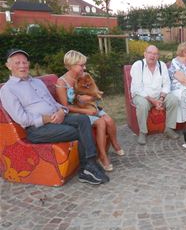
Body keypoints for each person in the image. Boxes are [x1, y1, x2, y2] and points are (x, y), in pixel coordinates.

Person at [0, 49, 109, 185]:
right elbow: (21, 119)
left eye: (24, 62)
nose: (22, 65)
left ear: (28, 64)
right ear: (8, 66)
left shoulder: (37, 83)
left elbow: (54, 104)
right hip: (37, 129)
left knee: (83, 119)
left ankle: (89, 164)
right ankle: (87, 168)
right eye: (17, 63)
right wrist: (46, 119)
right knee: (79, 131)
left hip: (57, 118)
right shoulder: (8, 90)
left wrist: (62, 111)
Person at [56, 50, 124, 172]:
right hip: (76, 113)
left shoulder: (84, 76)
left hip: (89, 107)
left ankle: (113, 145)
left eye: (84, 65)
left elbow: (96, 94)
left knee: (109, 120)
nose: (84, 67)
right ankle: (102, 156)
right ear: (71, 65)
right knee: (101, 122)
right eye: (81, 65)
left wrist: (87, 98)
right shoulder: (62, 82)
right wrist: (86, 111)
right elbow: (65, 107)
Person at [130, 45, 179, 145]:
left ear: (158, 56)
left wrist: (161, 99)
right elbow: (137, 88)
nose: (152, 56)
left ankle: (169, 129)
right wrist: (153, 101)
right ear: (145, 54)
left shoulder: (162, 65)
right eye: (150, 53)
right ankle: (143, 132)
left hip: (158, 96)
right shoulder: (138, 65)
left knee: (173, 99)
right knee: (142, 105)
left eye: (155, 54)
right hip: (142, 96)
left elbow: (166, 84)